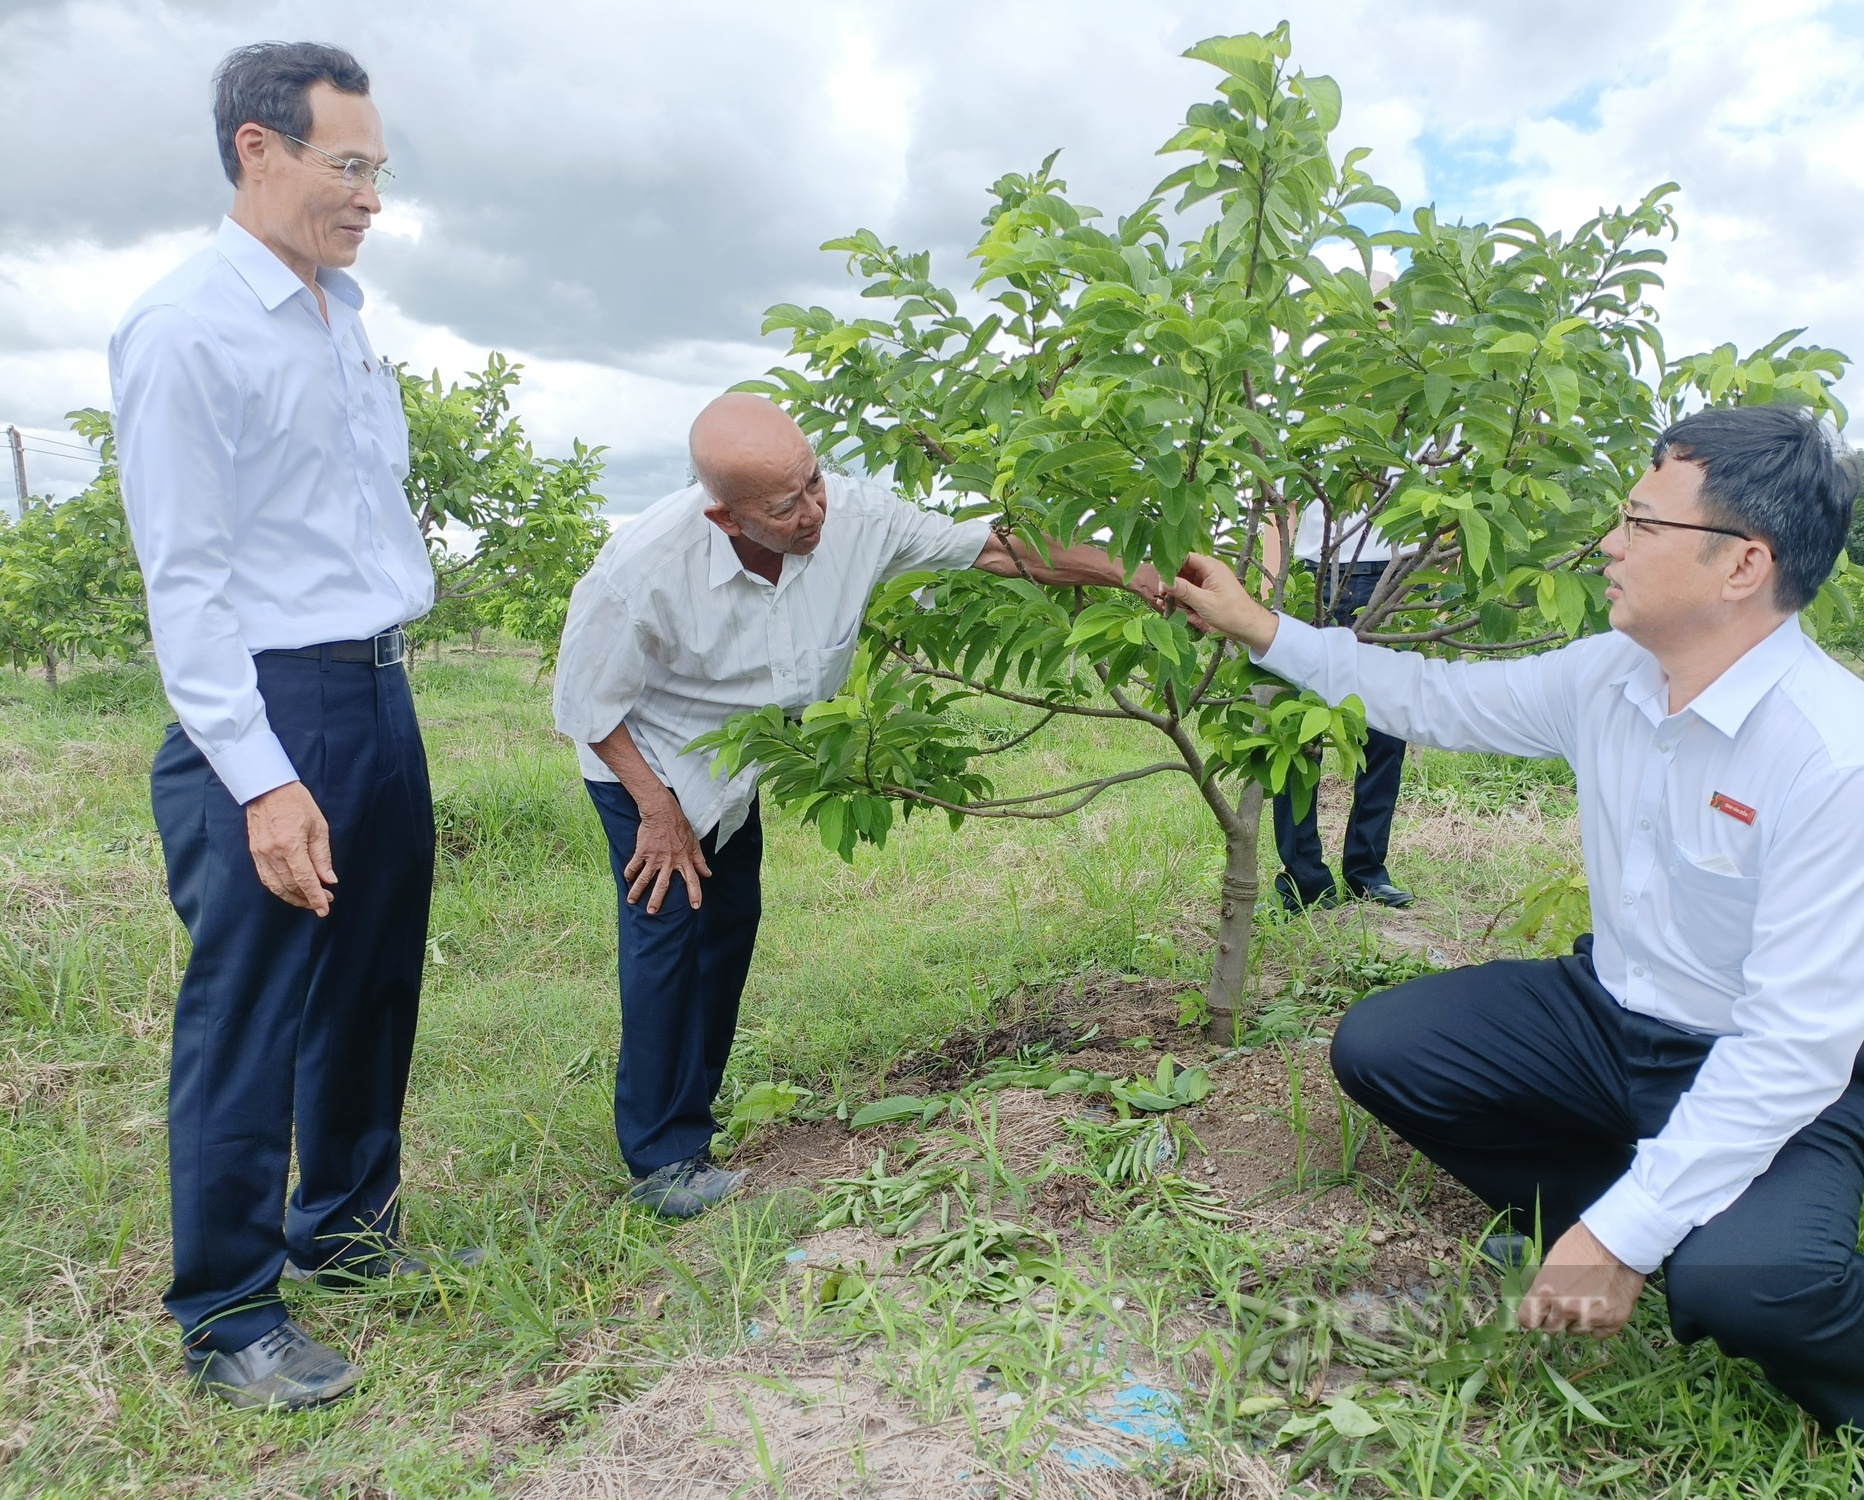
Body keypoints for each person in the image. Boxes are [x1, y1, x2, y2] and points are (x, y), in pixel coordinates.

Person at [1171, 405, 1864, 1489]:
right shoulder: (1608, 675)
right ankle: (1611, 1211)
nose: (1608, 545)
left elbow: (1792, 1048)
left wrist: (1625, 1236)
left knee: (1746, 1282)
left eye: (1638, 522)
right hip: (1614, 1017)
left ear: (1741, 565)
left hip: (1804, 1077)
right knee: (1386, 1047)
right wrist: (1261, 628)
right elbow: (1431, 698)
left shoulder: (1839, 755)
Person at [553, 394, 1166, 1221]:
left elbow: (994, 549)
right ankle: (662, 1161)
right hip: (648, 762)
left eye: (813, 483)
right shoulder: (642, 568)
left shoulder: (857, 517)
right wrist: (658, 811)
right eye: (784, 506)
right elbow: (586, 705)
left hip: (741, 758)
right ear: (725, 516)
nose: (812, 512)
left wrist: (1137, 573)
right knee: (668, 935)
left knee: (729, 928)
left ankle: (690, 1123)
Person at [112, 43, 461, 1411]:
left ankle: (352, 1232)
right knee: (250, 1010)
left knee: (372, 979)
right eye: (348, 166)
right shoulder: (189, 323)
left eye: (379, 169)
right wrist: (260, 780)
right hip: (267, 703)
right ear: (258, 151)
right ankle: (229, 1311)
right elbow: (186, 583)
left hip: (375, 685)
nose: (370, 193)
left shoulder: (337, 311)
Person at [1269, 502, 1411, 911]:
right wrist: (1274, 588)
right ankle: (1305, 878)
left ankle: (1367, 873)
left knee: (1387, 732)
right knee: (1295, 734)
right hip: (1315, 574)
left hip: (1396, 573)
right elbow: (1281, 504)